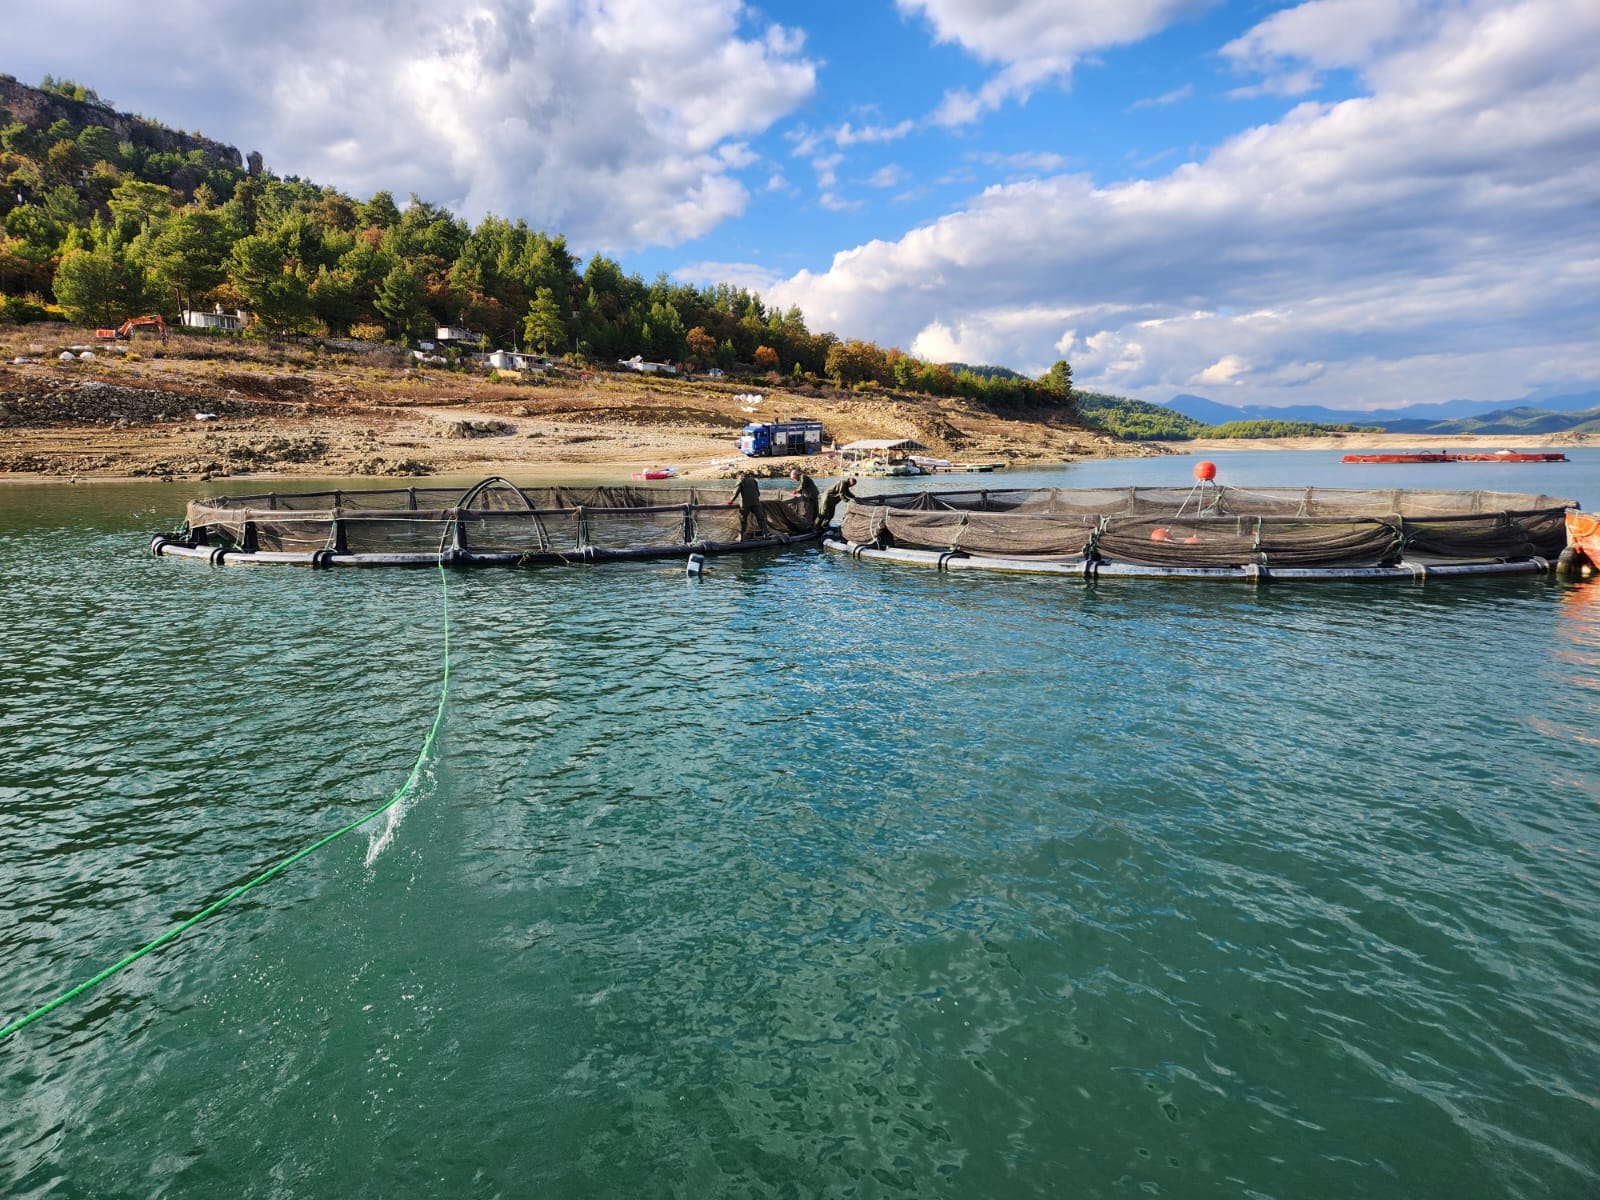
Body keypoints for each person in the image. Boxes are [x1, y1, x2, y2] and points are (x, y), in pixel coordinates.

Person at [726, 470, 770, 540]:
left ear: (738, 476)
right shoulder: (753, 480)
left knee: (743, 520)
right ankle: (766, 535)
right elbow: (758, 493)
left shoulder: (741, 480)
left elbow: (736, 492)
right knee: (761, 519)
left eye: (736, 477)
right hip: (756, 503)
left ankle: (741, 537)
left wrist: (731, 500)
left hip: (745, 504)